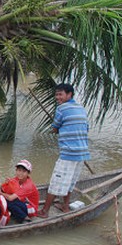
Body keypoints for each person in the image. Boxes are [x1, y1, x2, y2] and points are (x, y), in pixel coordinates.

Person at [38, 83, 90, 218]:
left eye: (60, 94)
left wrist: (57, 128)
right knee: (71, 182)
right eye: (56, 94)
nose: (57, 97)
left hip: (69, 152)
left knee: (56, 182)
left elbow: (55, 128)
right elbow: (86, 128)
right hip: (82, 152)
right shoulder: (81, 108)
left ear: (69, 94)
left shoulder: (61, 108)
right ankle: (65, 206)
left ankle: (44, 212)